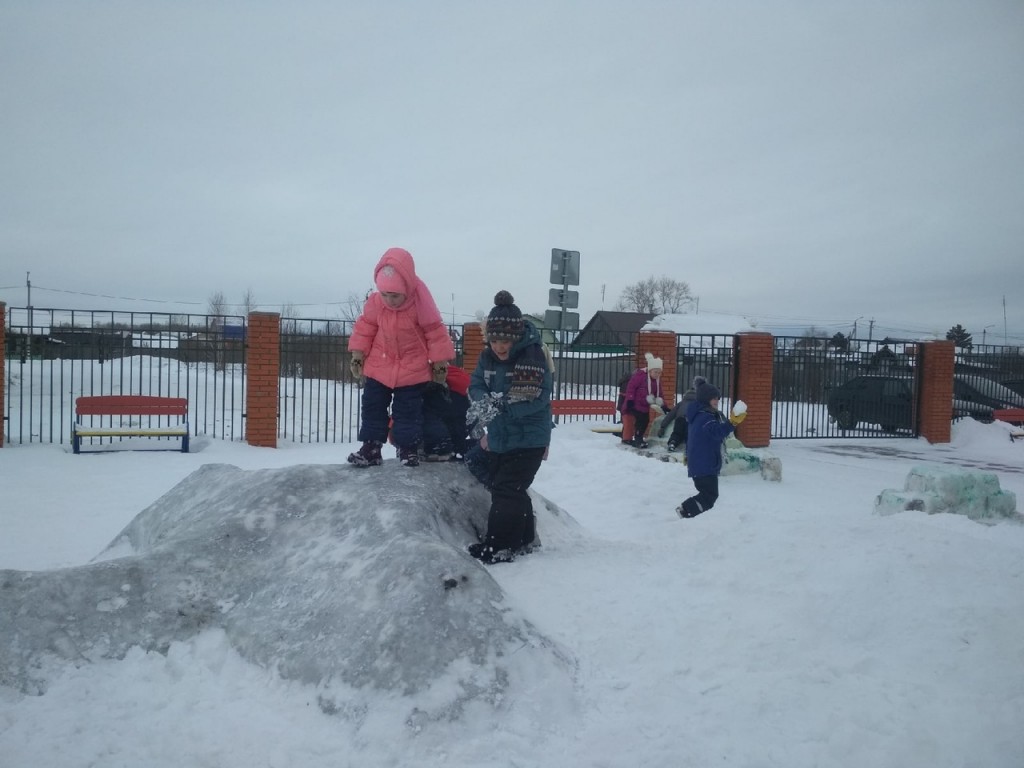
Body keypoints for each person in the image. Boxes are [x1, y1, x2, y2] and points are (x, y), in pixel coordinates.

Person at [346, 247, 455, 468]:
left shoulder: (420, 304)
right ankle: (371, 447)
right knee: (372, 405)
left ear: (407, 287)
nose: (390, 300)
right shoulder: (376, 304)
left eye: (395, 295)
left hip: (412, 369)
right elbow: (365, 328)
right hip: (379, 366)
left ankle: (408, 448)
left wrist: (440, 362)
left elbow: (435, 332)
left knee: (407, 411)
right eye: (385, 294)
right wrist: (358, 354)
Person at [466, 291, 553, 564]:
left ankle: (500, 546)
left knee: (506, 489)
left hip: (530, 439)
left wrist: (504, 406)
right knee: (510, 488)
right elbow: (476, 384)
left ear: (515, 337)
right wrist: (484, 401)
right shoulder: (487, 358)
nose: (499, 347)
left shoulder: (533, 357)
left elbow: (540, 397)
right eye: (494, 340)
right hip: (502, 437)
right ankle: (524, 538)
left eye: (505, 341)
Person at [676, 380, 746, 519]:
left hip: (701, 463)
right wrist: (732, 422)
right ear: (705, 399)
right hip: (704, 464)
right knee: (709, 496)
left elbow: (692, 438)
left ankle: (685, 511)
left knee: (709, 495)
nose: (717, 401)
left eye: (718, 398)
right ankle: (685, 510)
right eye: (713, 398)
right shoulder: (705, 417)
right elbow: (717, 432)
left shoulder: (699, 415)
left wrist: (687, 454)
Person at [421, 364, 471, 461]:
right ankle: (457, 445)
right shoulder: (454, 372)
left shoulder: (424, 376)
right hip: (464, 399)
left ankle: (441, 445)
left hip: (448, 396)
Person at [620, 352, 666, 449]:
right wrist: (630, 400)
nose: (657, 374)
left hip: (644, 406)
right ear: (650, 370)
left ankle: (639, 438)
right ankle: (637, 439)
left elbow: (659, 394)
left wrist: (663, 405)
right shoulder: (640, 376)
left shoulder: (656, 381)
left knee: (645, 421)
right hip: (634, 404)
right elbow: (631, 387)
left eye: (659, 372)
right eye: (655, 372)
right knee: (639, 422)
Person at [659, 376, 707, 456]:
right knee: (690, 435)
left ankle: (672, 443)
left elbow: (671, 414)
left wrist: (662, 427)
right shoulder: (700, 403)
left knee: (677, 433)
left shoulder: (682, 403)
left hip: (680, 419)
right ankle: (690, 448)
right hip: (691, 421)